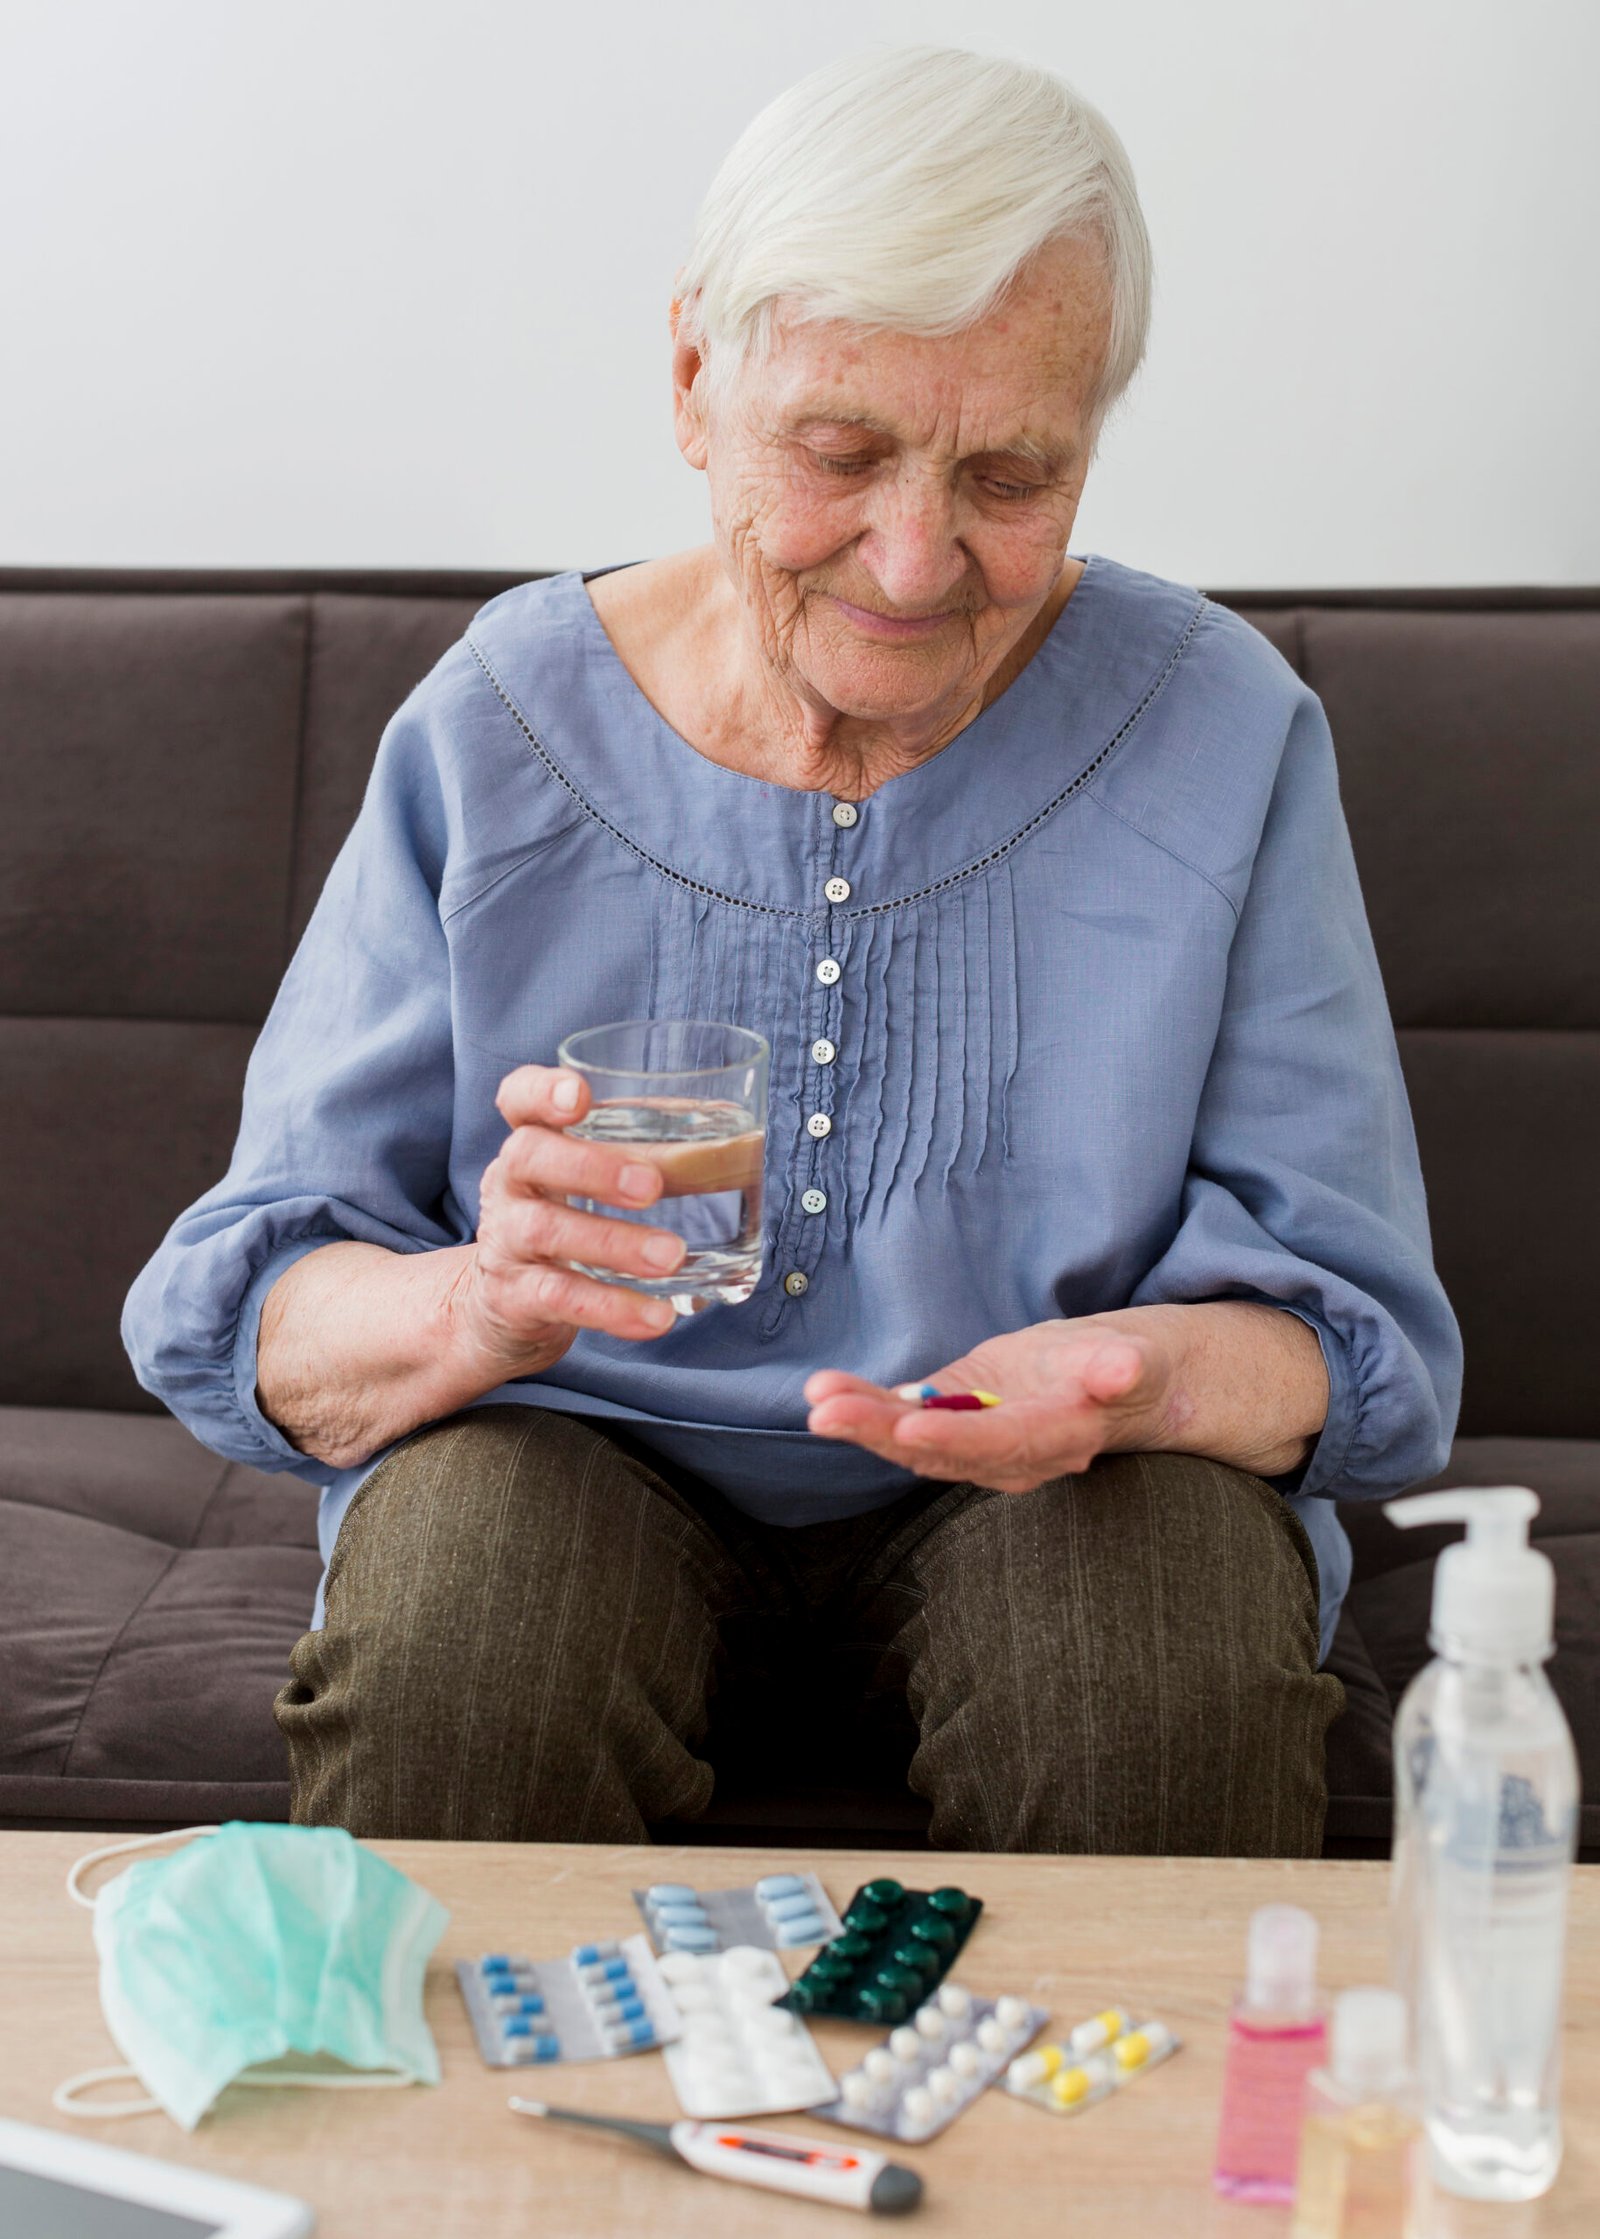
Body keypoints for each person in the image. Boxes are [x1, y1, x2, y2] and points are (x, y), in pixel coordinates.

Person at [123, 46, 1461, 1857]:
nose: (917, 563)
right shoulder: (496, 729)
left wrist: (1133, 1379)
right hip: (562, 1453)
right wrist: (484, 1304)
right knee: (468, 1642)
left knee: (1150, 1681)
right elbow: (255, 1307)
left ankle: (1111, 2155)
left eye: (1012, 473)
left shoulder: (1221, 731)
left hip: (1066, 1481)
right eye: (840, 454)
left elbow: (1352, 1335)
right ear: (695, 381)